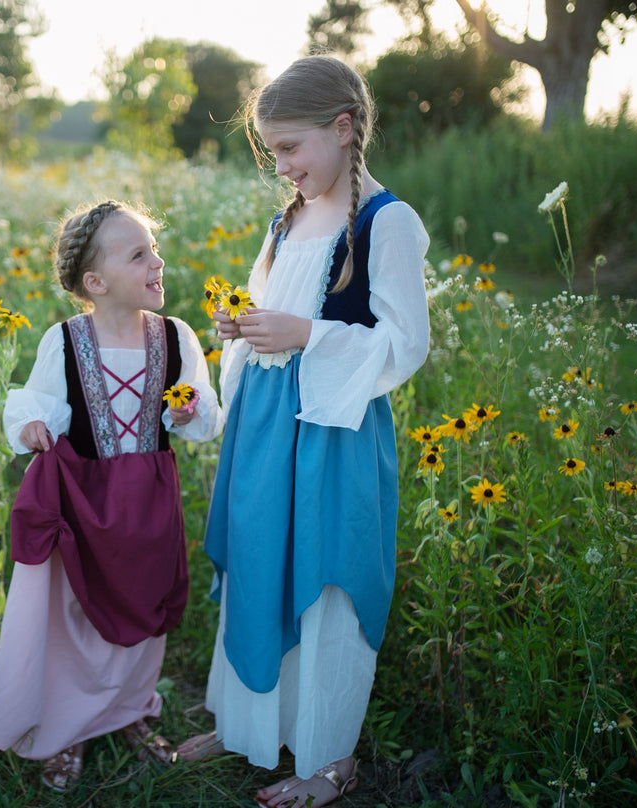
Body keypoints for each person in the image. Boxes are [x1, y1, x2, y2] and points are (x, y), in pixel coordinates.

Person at [175, 55, 430, 807]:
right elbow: (273, 309)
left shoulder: (386, 221)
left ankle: (328, 757)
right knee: (258, 563)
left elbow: (405, 344)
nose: (280, 166)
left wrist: (306, 334)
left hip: (330, 432)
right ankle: (244, 723)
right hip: (264, 425)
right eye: (271, 151)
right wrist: (243, 325)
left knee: (325, 583)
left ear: (344, 129)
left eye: (290, 147)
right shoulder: (286, 219)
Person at [0, 199, 224, 792]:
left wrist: (189, 410)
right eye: (139, 254)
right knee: (79, 612)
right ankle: (71, 727)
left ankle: (130, 709)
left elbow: (204, 413)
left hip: (149, 499)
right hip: (86, 500)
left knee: (144, 604)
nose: (157, 262)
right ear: (96, 282)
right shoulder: (65, 341)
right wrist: (32, 427)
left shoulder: (175, 336)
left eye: (154, 249)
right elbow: (37, 405)